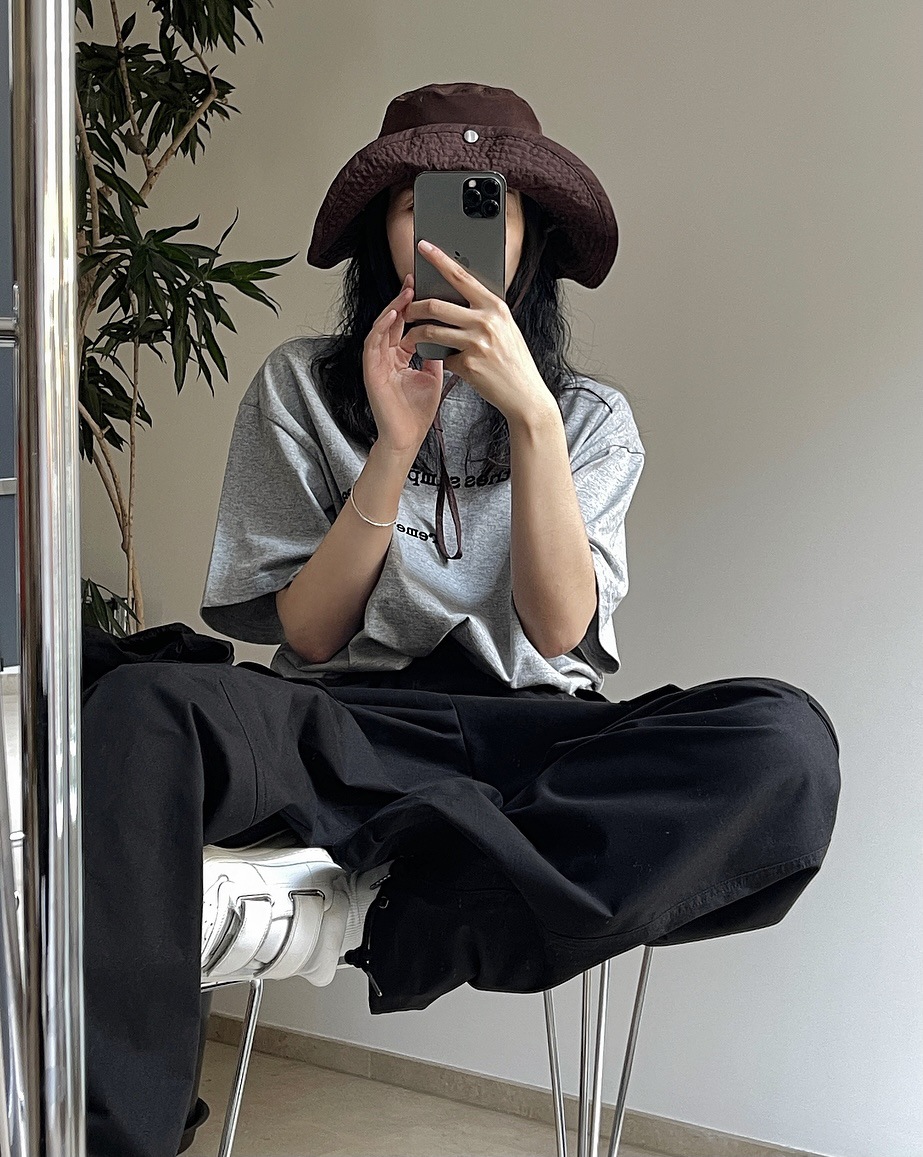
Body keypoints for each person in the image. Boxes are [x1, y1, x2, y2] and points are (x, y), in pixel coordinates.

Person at [81, 83, 842, 1157]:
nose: (444, 235)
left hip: (529, 732)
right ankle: (115, 1134)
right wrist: (392, 445)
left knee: (783, 743)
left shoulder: (588, 418)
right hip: (342, 722)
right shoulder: (299, 387)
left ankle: (417, 913)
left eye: (484, 204)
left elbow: (556, 627)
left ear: (528, 239)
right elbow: (308, 636)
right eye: (415, 206)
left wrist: (531, 418)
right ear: (379, 236)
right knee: (140, 704)